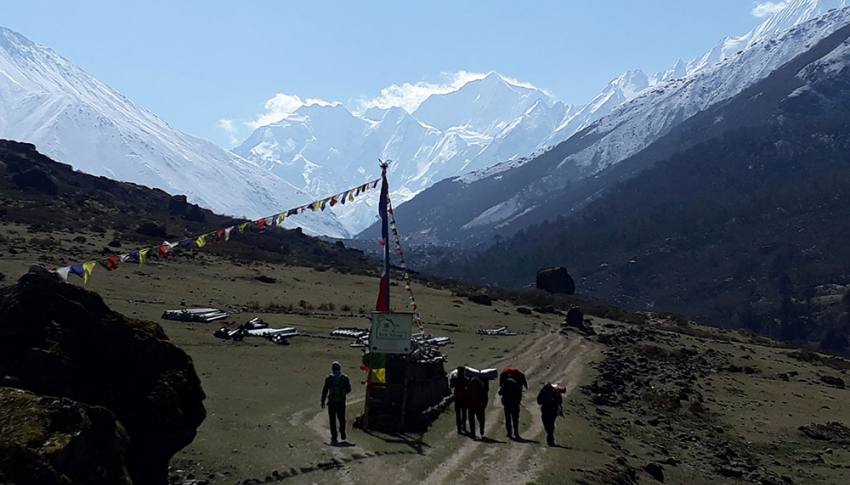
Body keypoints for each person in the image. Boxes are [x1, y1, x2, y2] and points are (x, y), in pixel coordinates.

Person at [321, 361, 351, 444]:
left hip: (332, 402)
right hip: (341, 401)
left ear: (332, 369)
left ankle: (334, 436)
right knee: (342, 418)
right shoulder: (345, 378)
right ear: (340, 368)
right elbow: (349, 389)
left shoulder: (329, 378)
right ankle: (342, 432)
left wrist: (323, 401)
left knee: (332, 420)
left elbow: (325, 390)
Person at [499, 372, 524, 440]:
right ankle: (516, 432)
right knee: (515, 419)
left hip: (507, 404)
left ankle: (509, 433)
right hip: (515, 405)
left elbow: (500, 393)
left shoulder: (505, 384)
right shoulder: (516, 384)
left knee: (508, 419)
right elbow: (519, 394)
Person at [465, 375, 488, 440]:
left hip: (471, 405)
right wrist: (484, 405)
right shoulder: (481, 385)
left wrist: (467, 404)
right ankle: (481, 431)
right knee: (481, 419)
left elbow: (467, 395)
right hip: (479, 405)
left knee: (471, 420)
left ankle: (473, 433)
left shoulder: (469, 385)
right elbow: (485, 396)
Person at [449, 366, 469, 434]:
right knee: (464, 413)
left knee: (458, 414)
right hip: (464, 398)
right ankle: (463, 426)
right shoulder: (466, 379)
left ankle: (459, 429)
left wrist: (451, 380)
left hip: (457, 398)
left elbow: (451, 386)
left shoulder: (455, 379)